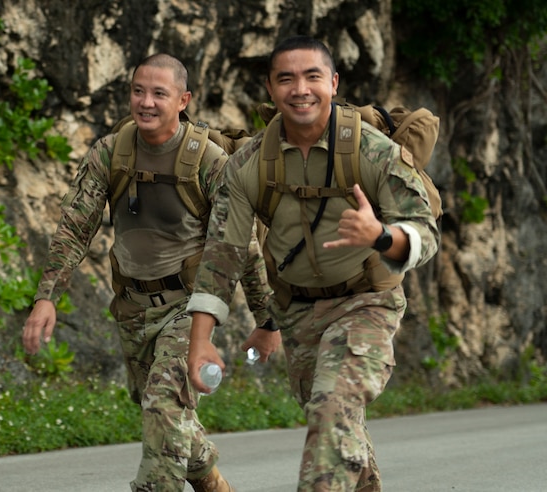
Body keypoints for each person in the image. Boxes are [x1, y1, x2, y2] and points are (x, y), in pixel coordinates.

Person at [186, 36, 440, 491]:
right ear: (270, 88)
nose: (300, 89)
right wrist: (201, 339)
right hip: (298, 311)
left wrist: (380, 236)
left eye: (312, 77)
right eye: (286, 78)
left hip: (367, 301)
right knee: (337, 426)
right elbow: (222, 254)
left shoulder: (371, 149)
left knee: (331, 409)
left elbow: (425, 231)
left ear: (333, 83)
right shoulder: (248, 164)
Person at [22, 53, 278, 492]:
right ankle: (214, 484)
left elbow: (242, 245)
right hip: (132, 308)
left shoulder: (209, 161)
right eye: (138, 91)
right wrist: (47, 297)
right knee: (165, 413)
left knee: (162, 407)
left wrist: (266, 319)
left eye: (159, 93)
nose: (146, 102)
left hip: (189, 309)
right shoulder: (111, 151)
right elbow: (75, 227)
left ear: (183, 100)